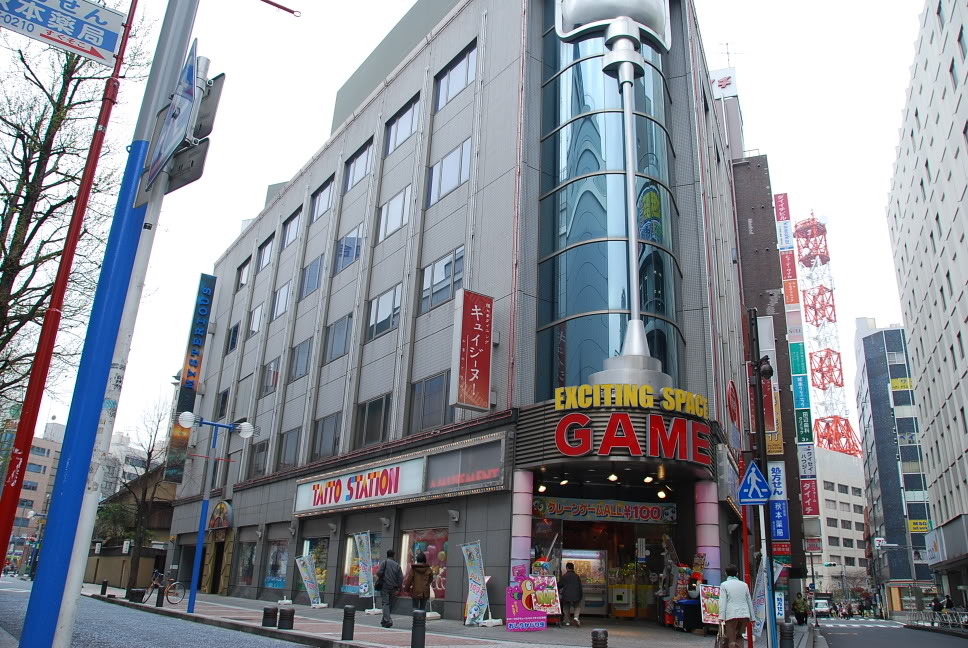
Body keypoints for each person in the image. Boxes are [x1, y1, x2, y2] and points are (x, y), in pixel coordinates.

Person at [719, 565, 754, 648]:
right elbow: (749, 601)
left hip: (731, 615)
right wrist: (752, 618)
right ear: (737, 574)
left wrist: (721, 617)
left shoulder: (724, 585)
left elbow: (723, 602)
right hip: (744, 615)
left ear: (726, 573)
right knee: (739, 637)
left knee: (731, 639)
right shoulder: (744, 585)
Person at [376, 549, 403, 627]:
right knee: (389, 604)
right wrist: (399, 587)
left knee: (385, 603)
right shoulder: (397, 565)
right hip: (394, 587)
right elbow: (400, 577)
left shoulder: (384, 562)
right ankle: (384, 621)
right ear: (393, 555)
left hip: (385, 585)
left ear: (387, 555)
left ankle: (388, 620)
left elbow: (379, 573)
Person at [558, 562, 583, 627]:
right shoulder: (577, 576)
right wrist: (580, 595)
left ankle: (567, 621)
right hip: (576, 594)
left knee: (566, 607)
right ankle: (576, 618)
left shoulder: (564, 576)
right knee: (577, 606)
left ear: (567, 568)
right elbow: (580, 586)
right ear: (573, 568)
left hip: (566, 595)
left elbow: (559, 585)